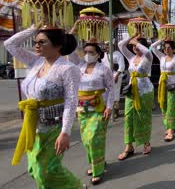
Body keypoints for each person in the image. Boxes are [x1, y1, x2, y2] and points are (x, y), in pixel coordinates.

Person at [5, 25, 83, 188]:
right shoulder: (35, 62)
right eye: (36, 42)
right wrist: (34, 29)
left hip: (54, 126)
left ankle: (75, 186)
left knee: (46, 171)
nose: (36, 46)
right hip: (33, 124)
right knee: (34, 169)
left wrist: (65, 132)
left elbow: (71, 101)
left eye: (42, 42)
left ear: (57, 45)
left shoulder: (68, 69)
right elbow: (10, 44)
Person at [68, 37, 113, 185]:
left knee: (95, 138)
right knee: (86, 139)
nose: (87, 54)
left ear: (98, 54)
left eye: (91, 51)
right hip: (82, 108)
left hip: (98, 108)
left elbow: (111, 88)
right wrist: (72, 33)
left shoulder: (104, 69)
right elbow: (70, 49)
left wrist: (109, 106)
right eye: (85, 51)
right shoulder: (79, 66)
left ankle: (98, 170)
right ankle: (97, 162)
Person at [118, 35, 154, 160]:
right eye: (133, 46)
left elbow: (148, 51)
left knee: (143, 117)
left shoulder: (148, 57)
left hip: (145, 92)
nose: (134, 48)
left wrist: (138, 43)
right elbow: (120, 45)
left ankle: (146, 142)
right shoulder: (131, 58)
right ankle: (129, 146)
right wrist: (132, 37)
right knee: (128, 118)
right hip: (131, 91)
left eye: (136, 46)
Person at [150, 39, 175, 142]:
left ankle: (170, 131)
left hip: (172, 86)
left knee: (171, 108)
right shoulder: (162, 58)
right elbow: (152, 47)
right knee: (163, 107)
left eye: (169, 48)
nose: (167, 49)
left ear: (173, 49)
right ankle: (169, 126)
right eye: (165, 48)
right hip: (162, 85)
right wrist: (161, 40)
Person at [102, 40, 125, 120]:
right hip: (105, 77)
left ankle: (116, 112)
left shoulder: (118, 54)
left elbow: (122, 66)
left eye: (108, 44)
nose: (106, 46)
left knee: (115, 94)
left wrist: (117, 76)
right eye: (105, 45)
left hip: (116, 76)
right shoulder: (104, 55)